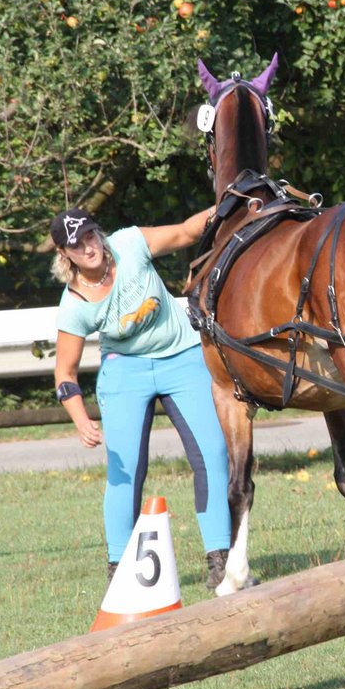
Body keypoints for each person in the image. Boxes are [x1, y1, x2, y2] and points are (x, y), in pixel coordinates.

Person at [48, 206, 232, 591]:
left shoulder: (130, 244)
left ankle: (222, 561)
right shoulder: (75, 303)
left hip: (182, 356)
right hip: (125, 370)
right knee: (125, 471)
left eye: (90, 236)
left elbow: (184, 231)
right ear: (65, 254)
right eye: (76, 246)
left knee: (212, 453)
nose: (88, 248)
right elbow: (65, 374)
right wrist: (81, 419)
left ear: (99, 232)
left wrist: (226, 203)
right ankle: (120, 570)